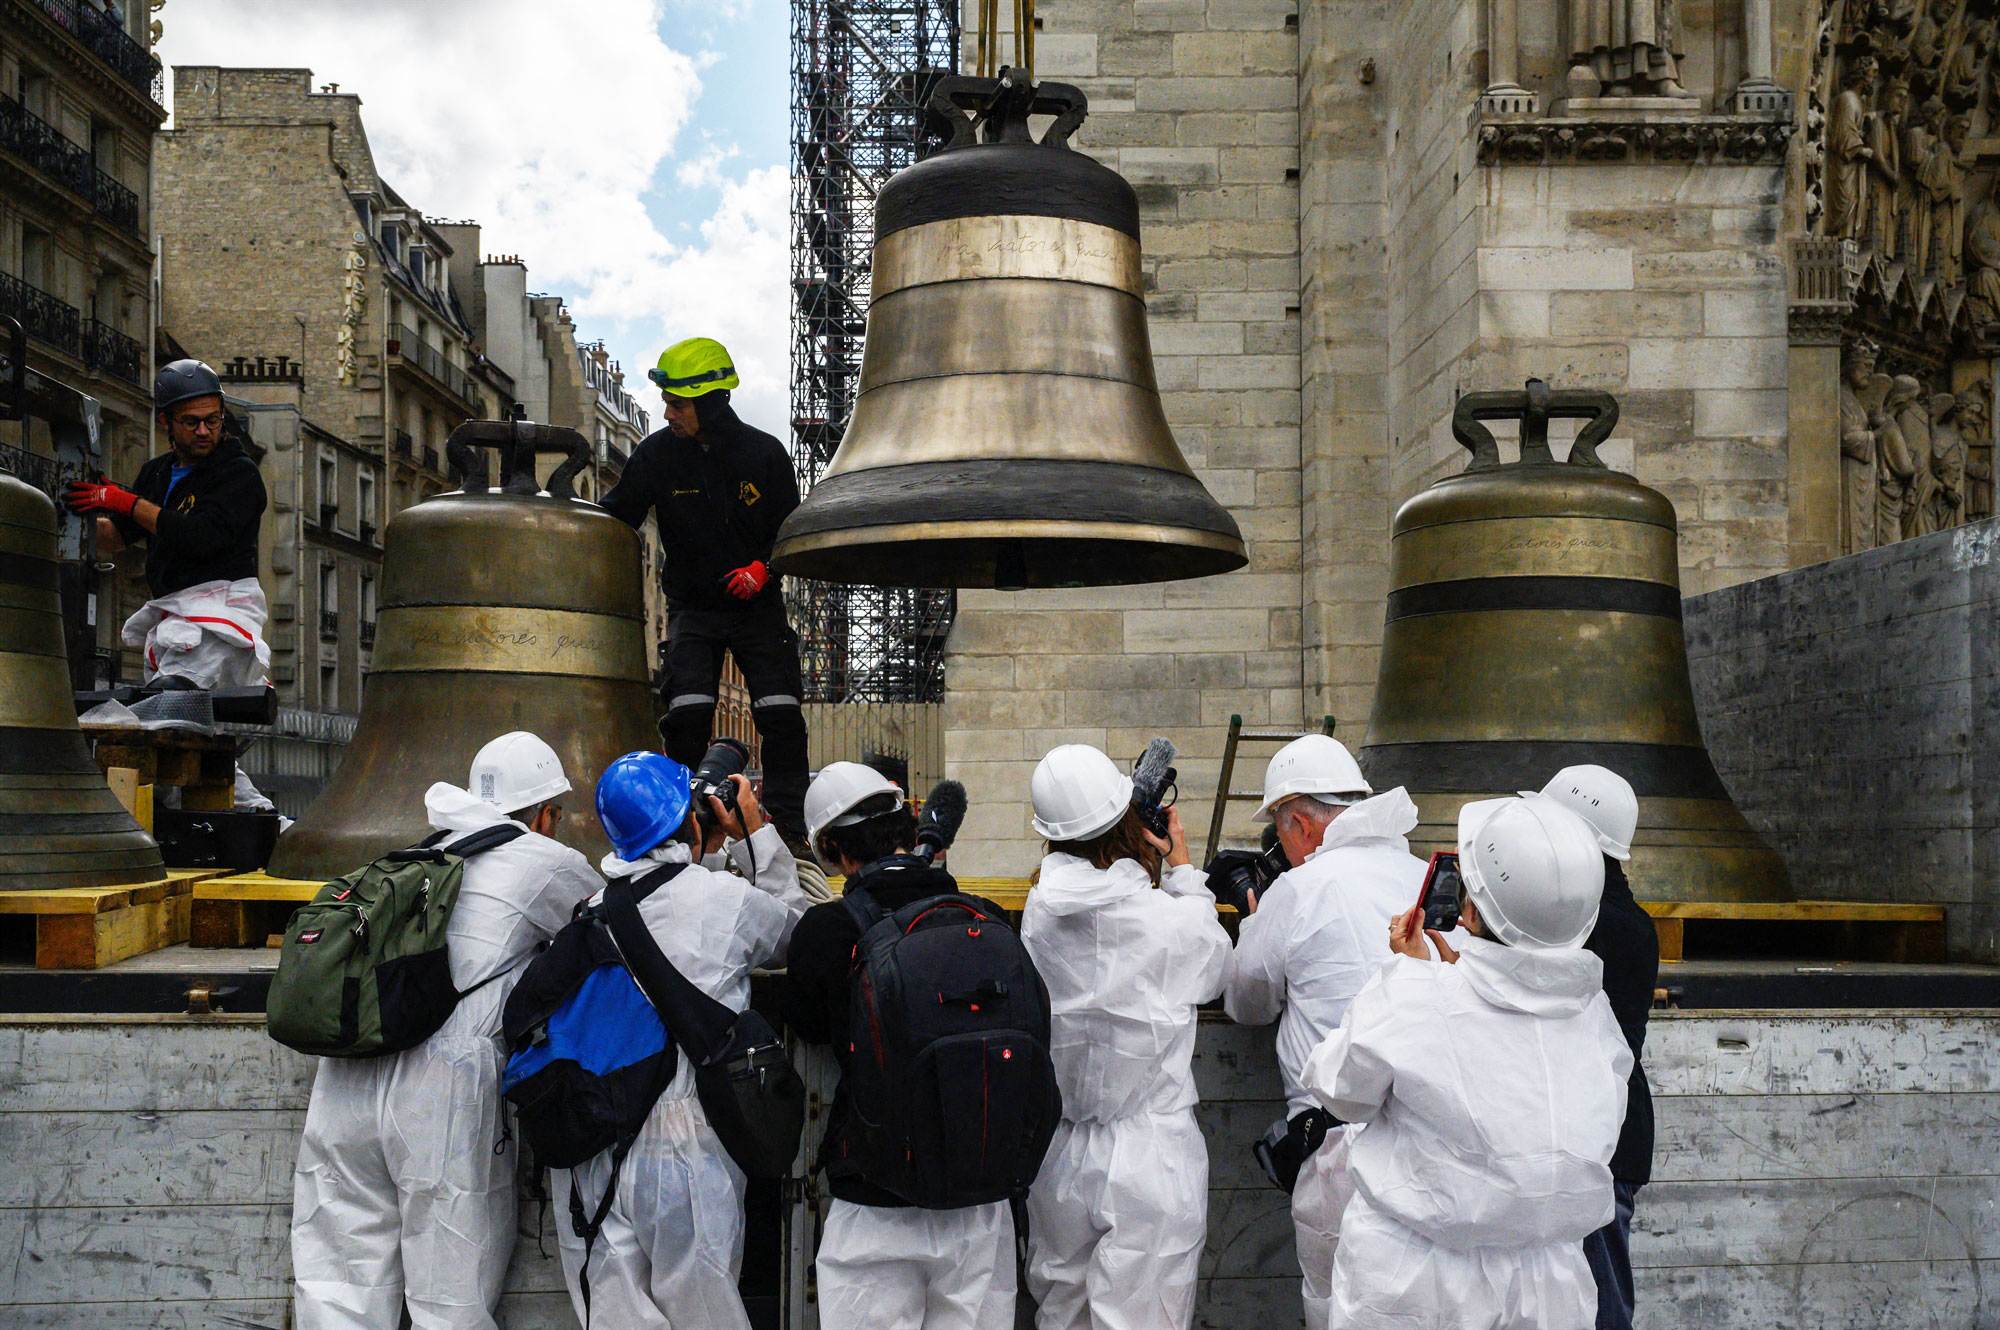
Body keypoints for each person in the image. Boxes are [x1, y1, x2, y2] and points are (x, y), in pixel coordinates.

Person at [290, 731, 602, 1330]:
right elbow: (620, 922)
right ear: (544, 814)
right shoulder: (545, 862)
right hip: (442, 1087)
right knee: (450, 1289)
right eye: (556, 816)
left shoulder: (416, 855)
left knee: (337, 1283)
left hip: (348, 1073)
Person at [1302, 794, 1632, 1330]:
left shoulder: (1416, 996)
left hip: (1419, 1283)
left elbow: (1340, 1089)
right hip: (1552, 1284)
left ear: (1470, 912)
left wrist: (1409, 977)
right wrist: (1449, 978)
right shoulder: (1595, 1017)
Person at [551, 748, 806, 1329]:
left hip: (599, 1142)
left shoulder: (590, 911)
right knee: (705, 1314)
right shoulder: (726, 902)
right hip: (687, 1143)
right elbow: (796, 934)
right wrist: (754, 836)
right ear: (690, 819)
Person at [784, 761, 1018, 1330]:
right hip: (981, 1192)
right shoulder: (987, 919)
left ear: (832, 850)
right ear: (910, 830)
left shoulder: (827, 931)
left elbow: (809, 1026)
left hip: (876, 1193)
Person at [1219, 734, 1433, 1328]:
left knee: (1336, 1309)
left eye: (1279, 831)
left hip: (1338, 1153)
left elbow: (1246, 1003)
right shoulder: (1422, 878)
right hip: (1425, 1145)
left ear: (1301, 824)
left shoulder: (1298, 889)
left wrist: (1257, 923)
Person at [1018, 744, 1231, 1330]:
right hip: (1150, 1153)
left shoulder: (1040, 912)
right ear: (1128, 823)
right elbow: (1217, 965)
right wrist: (1182, 872)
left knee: (1063, 1313)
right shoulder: (1165, 920)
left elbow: (1093, 892)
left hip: (1062, 1152)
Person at [600, 337, 809, 845]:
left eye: (677, 404)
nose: (667, 413)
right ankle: (677, 826)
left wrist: (764, 568)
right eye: (666, 402)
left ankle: (788, 829)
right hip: (693, 609)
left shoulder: (765, 454)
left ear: (711, 402)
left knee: (780, 713)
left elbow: (792, 530)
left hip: (757, 608)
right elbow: (615, 514)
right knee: (686, 715)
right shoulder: (656, 456)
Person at [65, 358, 274, 807]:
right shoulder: (158, 473)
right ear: (166, 423)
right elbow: (117, 537)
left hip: (219, 611)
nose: (204, 431)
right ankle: (257, 816)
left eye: (213, 420)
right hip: (175, 617)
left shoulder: (238, 474)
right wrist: (67, 516)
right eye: (191, 422)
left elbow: (198, 536)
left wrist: (125, 501)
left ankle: (221, 814)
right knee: (185, 736)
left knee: (167, 711)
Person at [1534, 766, 1660, 1330]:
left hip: (1597, 1142)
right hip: (1599, 1136)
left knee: (1599, 1310)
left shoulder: (1594, 921)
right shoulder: (1614, 916)